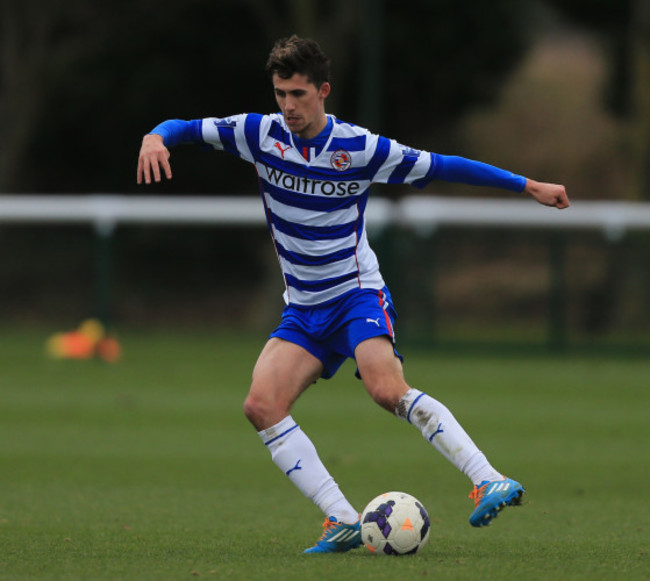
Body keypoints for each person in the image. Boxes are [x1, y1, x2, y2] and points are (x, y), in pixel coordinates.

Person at [137, 35, 570, 554]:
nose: (288, 105)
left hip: (356, 294)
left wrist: (528, 186)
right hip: (303, 306)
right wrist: (154, 137)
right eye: (280, 94)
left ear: (323, 91)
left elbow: (444, 165)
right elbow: (182, 128)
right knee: (261, 405)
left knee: (387, 390)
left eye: (298, 94)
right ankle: (342, 518)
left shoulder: (359, 148)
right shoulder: (257, 133)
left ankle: (489, 478)